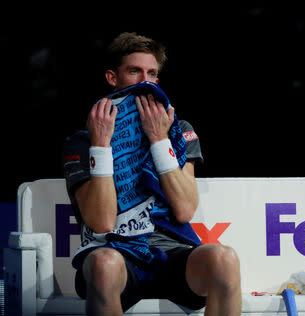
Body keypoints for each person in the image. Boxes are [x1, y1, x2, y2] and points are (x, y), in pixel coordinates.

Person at [62, 32, 241, 316]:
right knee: (104, 265)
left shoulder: (178, 130)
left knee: (224, 258)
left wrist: (159, 140)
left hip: (171, 254)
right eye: (134, 71)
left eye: (151, 73)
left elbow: (184, 210)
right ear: (113, 78)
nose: (145, 80)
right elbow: (102, 222)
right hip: (116, 254)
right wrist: (101, 147)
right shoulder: (83, 141)